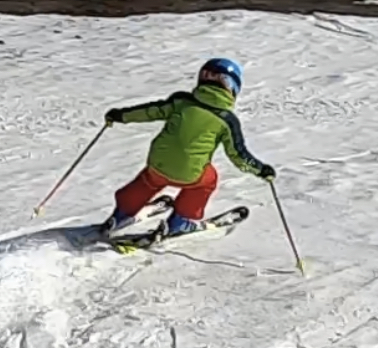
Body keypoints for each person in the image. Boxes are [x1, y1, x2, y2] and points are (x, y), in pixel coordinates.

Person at [101, 58, 275, 238]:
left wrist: (120, 116)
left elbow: (149, 111)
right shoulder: (226, 120)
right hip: (189, 173)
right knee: (208, 179)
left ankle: (121, 213)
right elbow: (238, 156)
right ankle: (180, 221)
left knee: (149, 180)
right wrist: (260, 170)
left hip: (158, 163)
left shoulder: (181, 102)